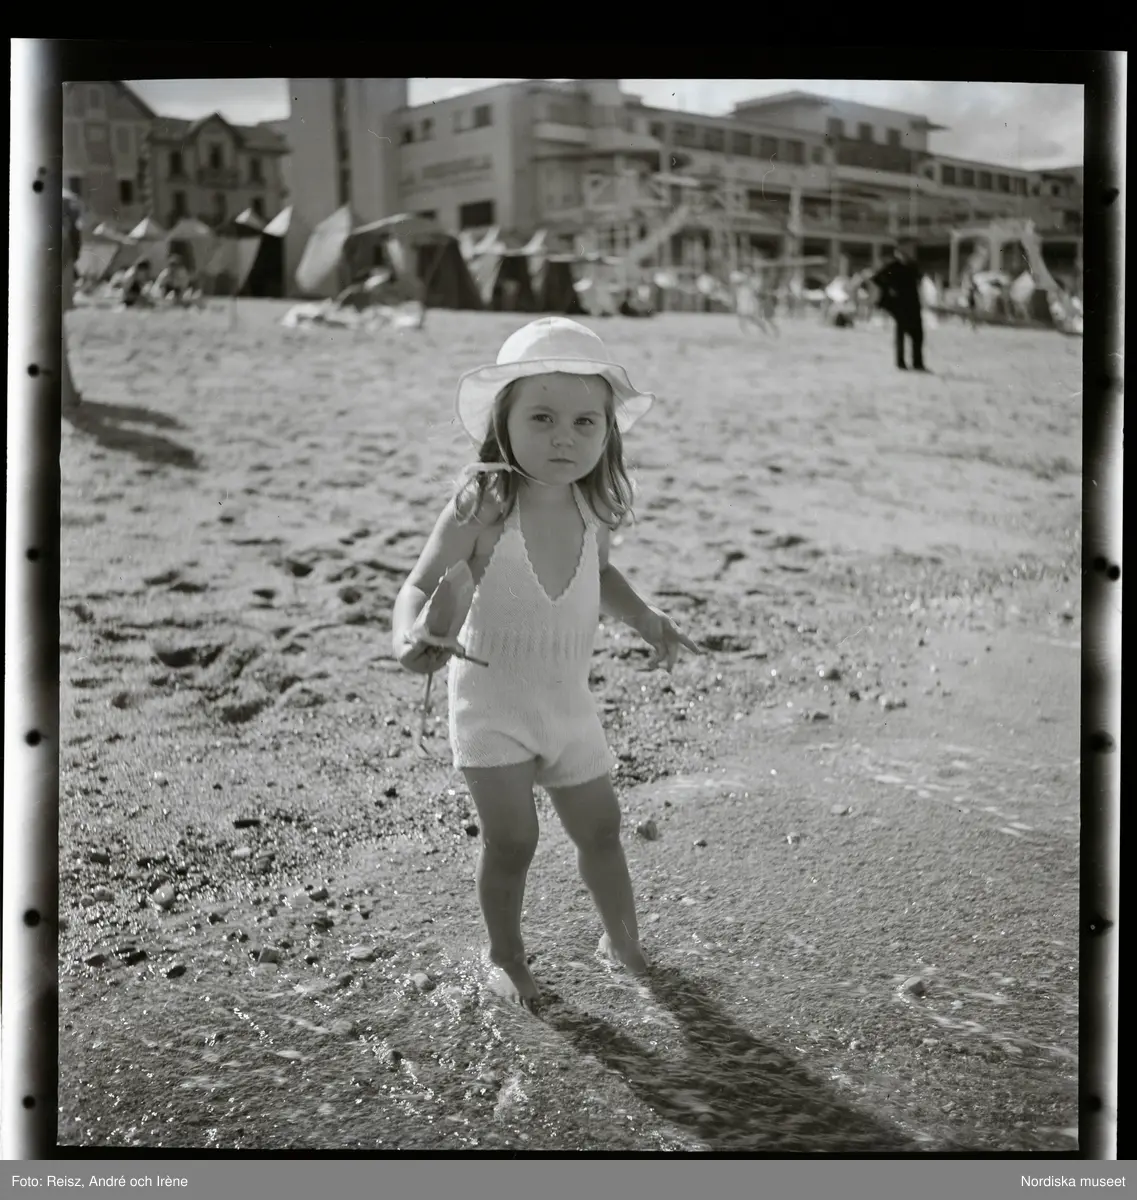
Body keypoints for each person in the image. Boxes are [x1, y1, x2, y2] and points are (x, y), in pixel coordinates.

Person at [391, 317, 701, 1011]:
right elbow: (417, 583)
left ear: (607, 433)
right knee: (513, 840)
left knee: (602, 828)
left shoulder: (592, 504)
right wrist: (408, 634)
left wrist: (646, 618)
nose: (565, 437)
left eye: (585, 422)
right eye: (542, 418)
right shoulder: (485, 504)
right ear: (502, 423)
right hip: (492, 703)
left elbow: (600, 575)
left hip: (567, 704)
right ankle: (504, 956)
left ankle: (623, 942)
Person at [871, 238, 930, 372]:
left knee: (918, 334)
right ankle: (900, 363)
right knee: (901, 335)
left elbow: (919, 280)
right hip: (900, 305)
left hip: (913, 304)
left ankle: (917, 363)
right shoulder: (893, 267)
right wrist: (890, 290)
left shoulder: (913, 266)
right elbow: (877, 279)